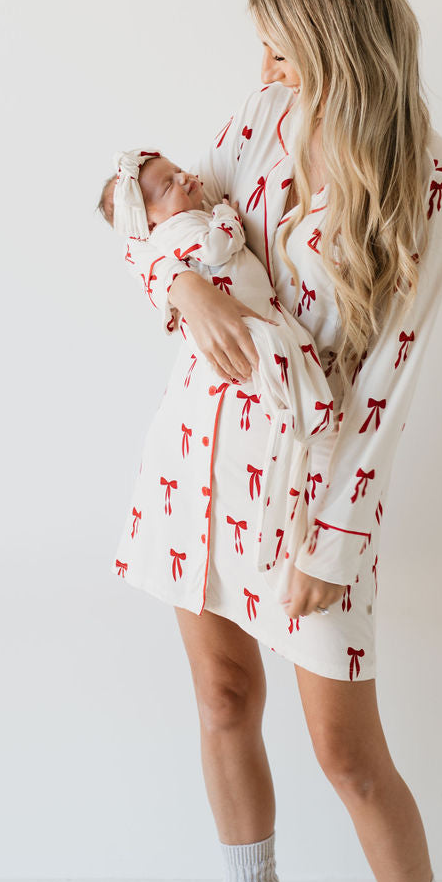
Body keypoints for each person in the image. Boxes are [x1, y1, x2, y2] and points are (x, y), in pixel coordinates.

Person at [110, 0, 442, 882]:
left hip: (311, 495)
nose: (259, 67)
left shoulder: (429, 177)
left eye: (278, 46)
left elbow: (387, 385)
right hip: (197, 461)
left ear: (329, 45)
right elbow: (140, 198)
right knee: (220, 693)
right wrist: (184, 285)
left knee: (346, 750)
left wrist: (334, 538)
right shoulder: (255, 120)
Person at [98, 150, 338, 581]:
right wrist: (226, 215)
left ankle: (310, 434)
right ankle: (316, 431)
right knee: (300, 398)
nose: (185, 179)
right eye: (168, 185)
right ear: (149, 220)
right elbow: (217, 245)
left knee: (295, 387)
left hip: (260, 321)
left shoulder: (174, 227)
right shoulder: (183, 228)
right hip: (250, 327)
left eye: (176, 171)